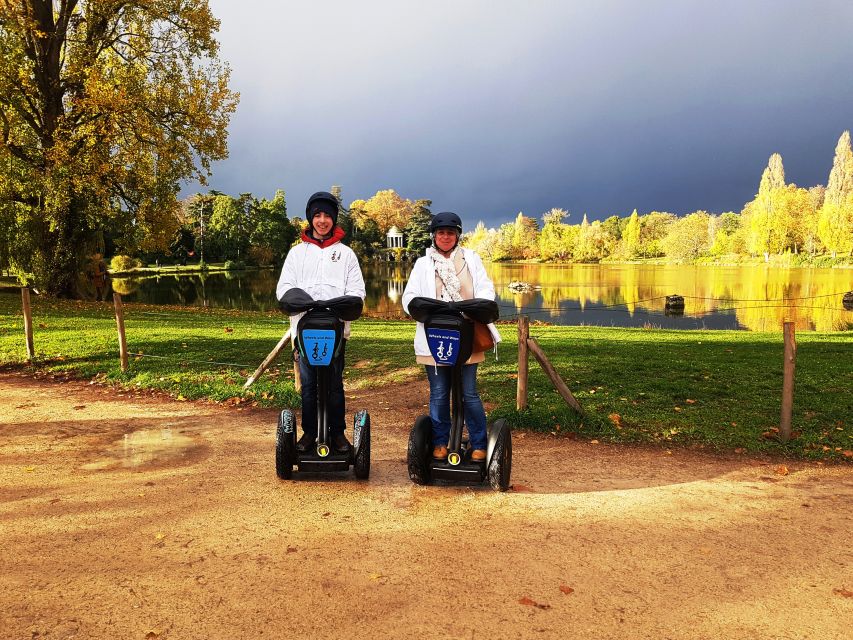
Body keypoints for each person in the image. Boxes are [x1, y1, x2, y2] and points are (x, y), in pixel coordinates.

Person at [402, 211, 501, 462]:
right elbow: (409, 297)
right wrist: (422, 308)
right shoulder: (423, 264)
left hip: (467, 335)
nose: (445, 237)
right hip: (434, 336)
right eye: (441, 232)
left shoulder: (472, 259)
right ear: (434, 236)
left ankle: (478, 443)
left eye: (450, 232)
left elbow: (486, 289)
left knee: (469, 393)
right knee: (438, 392)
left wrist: (480, 305)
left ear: (457, 235)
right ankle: (439, 443)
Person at [276, 191, 366, 454]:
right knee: (309, 385)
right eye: (317, 215)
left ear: (334, 219)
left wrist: (342, 306)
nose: (322, 220)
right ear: (310, 218)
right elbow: (284, 289)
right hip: (305, 329)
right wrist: (300, 300)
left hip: (335, 328)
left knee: (335, 383)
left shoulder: (346, 254)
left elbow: (358, 291)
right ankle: (310, 433)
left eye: (327, 215)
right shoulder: (297, 254)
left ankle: (337, 433)